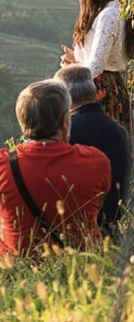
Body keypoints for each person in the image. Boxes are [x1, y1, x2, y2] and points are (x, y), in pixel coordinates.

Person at [0, 80, 109, 258]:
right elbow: (99, 205)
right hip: (82, 262)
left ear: (22, 121)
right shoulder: (95, 161)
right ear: (65, 121)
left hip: (17, 264)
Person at [62, 0, 134, 135]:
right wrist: (76, 59)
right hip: (105, 85)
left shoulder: (108, 15)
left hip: (99, 90)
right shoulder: (109, 11)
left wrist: (74, 71)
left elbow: (97, 65)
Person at [55, 65, 131, 237]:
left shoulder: (65, 132)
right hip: (112, 234)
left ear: (64, 96)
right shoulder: (120, 132)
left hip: (74, 236)